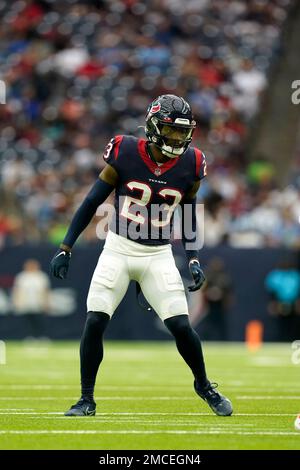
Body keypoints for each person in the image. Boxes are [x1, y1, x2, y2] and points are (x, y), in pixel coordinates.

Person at [50, 94, 233, 417]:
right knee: (95, 319)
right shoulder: (126, 151)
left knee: (180, 325)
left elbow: (188, 215)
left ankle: (204, 385)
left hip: (158, 254)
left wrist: (192, 257)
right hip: (118, 248)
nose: (177, 139)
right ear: (152, 127)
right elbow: (91, 202)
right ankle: (86, 398)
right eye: (170, 131)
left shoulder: (192, 163)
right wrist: (66, 246)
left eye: (182, 133)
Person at [12, 259, 50, 338]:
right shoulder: (22, 276)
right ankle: (29, 337)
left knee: (39, 321)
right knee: (27, 321)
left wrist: (46, 303)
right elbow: (17, 291)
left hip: (38, 304)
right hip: (26, 303)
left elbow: (45, 291)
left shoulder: (41, 276)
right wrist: (16, 302)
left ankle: (41, 336)